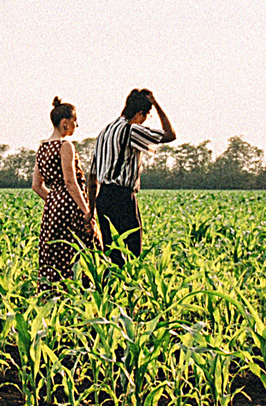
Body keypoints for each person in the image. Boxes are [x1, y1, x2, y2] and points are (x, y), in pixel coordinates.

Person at [91, 86, 174, 263]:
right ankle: (128, 289)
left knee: (110, 252)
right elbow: (170, 135)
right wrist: (156, 104)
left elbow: (93, 176)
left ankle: (109, 288)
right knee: (132, 252)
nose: (145, 121)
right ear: (139, 114)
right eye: (146, 116)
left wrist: (91, 209)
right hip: (122, 197)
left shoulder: (104, 132)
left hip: (103, 197)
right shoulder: (132, 130)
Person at [32, 96, 97, 287]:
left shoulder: (42, 147)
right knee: (83, 251)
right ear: (65, 123)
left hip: (52, 210)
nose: (77, 125)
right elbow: (70, 182)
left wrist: (54, 201)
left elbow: (36, 185)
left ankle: (53, 294)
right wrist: (87, 211)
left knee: (55, 256)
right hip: (71, 207)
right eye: (75, 121)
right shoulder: (65, 145)